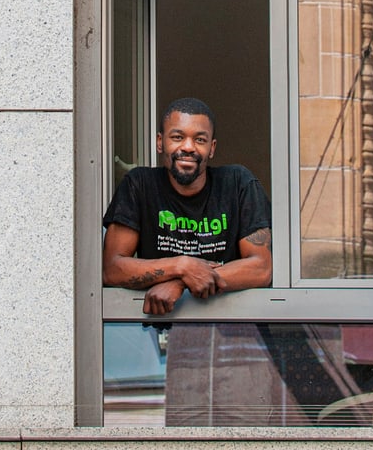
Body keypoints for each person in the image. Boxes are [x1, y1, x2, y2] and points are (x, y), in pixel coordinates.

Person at [102, 97, 272, 317]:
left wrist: (180, 283)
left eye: (200, 140)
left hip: (229, 323)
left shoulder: (238, 183)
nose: (188, 147)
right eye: (178, 137)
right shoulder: (139, 185)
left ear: (212, 148)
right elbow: (112, 269)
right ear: (160, 142)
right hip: (158, 329)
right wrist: (181, 266)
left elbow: (261, 268)